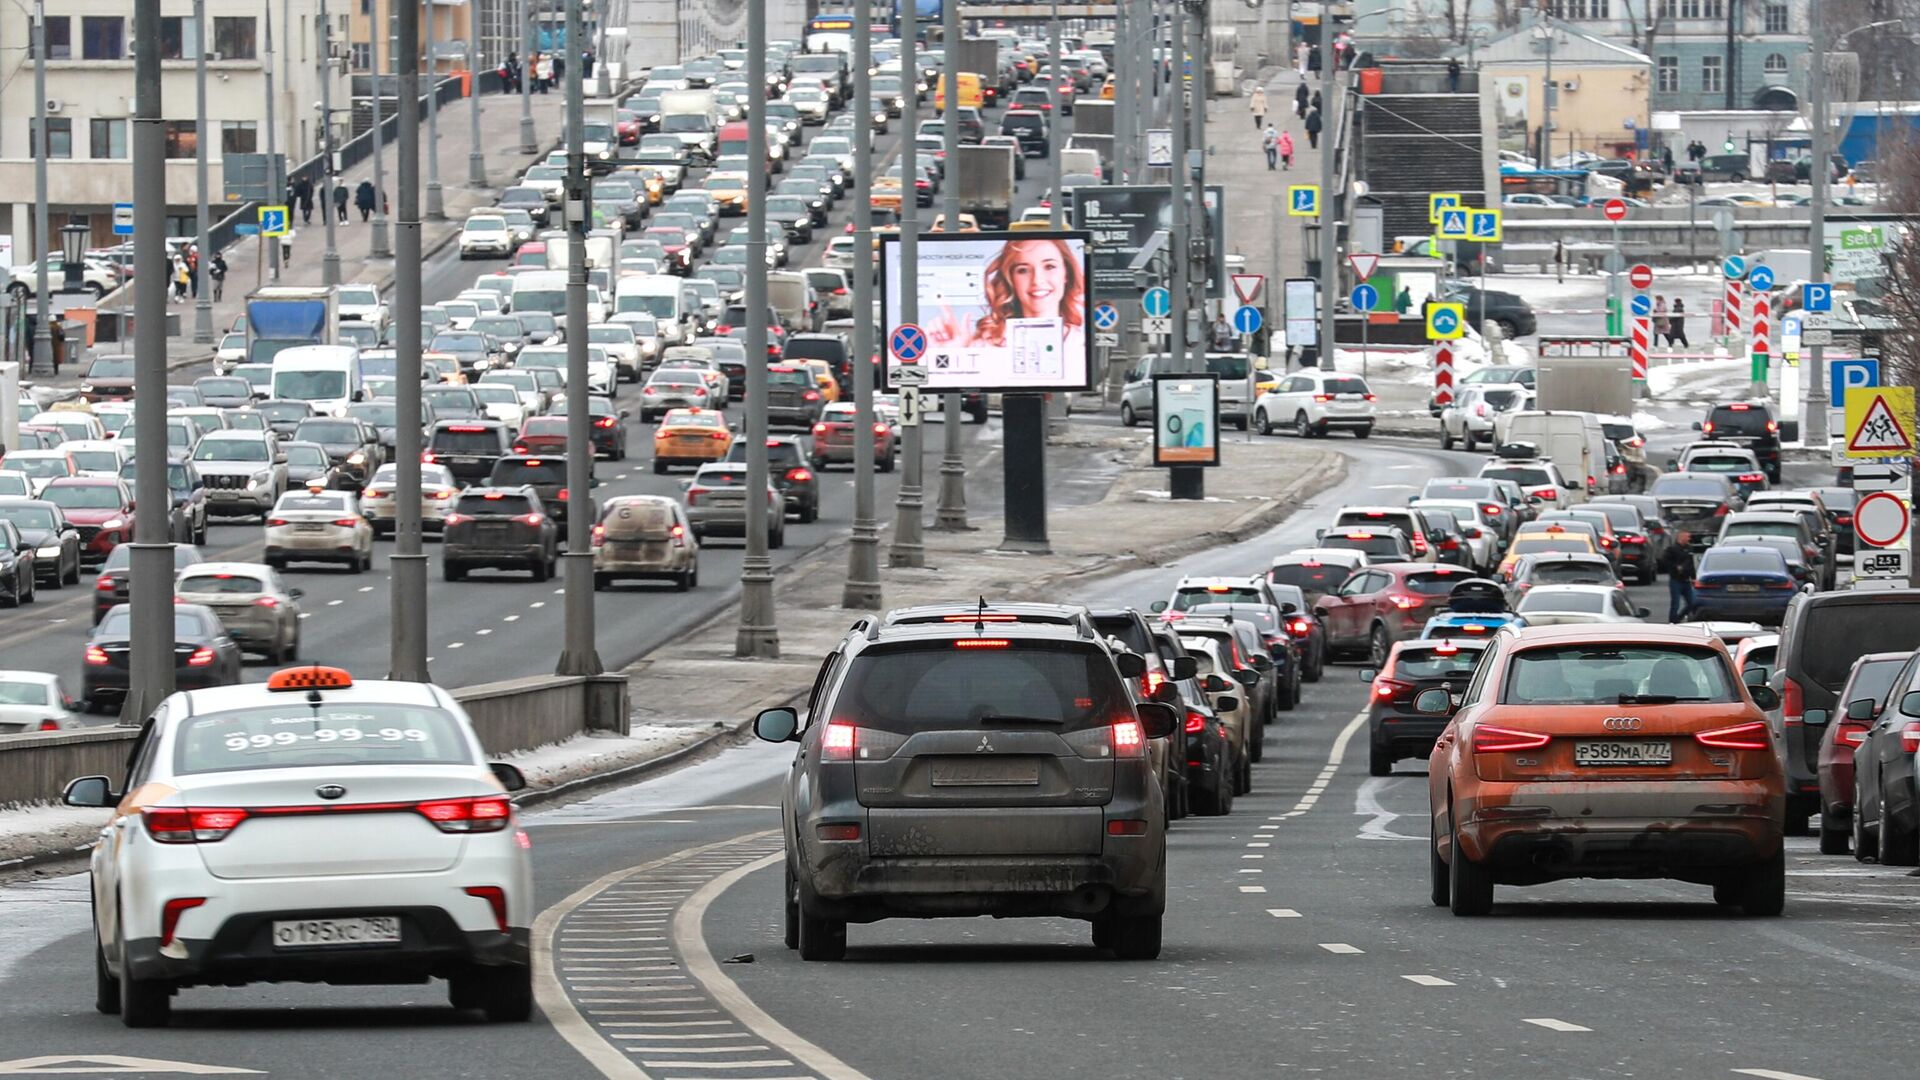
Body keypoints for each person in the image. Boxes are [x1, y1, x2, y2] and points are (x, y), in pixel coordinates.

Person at [925, 238, 1086, 360]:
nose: (1037, 280)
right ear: (1010, 279)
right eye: (1023, 270)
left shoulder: (1083, 345)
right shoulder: (983, 345)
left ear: (1067, 274)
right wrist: (957, 354)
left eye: (1050, 266)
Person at [1660, 532, 1697, 622]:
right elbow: (1664, 561)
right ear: (1681, 537)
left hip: (1686, 580)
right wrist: (1675, 567)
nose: (1689, 539)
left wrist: (1693, 577)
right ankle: (1672, 621)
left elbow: (1691, 564)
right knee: (1675, 603)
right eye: (1687, 537)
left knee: (1692, 603)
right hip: (1676, 580)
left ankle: (1678, 618)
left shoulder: (1689, 549)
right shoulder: (1672, 549)